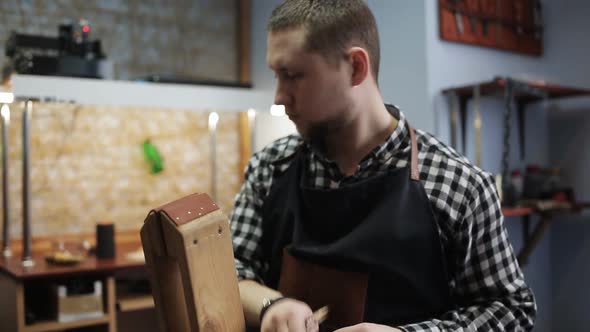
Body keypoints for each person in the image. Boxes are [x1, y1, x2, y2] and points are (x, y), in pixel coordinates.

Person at [230, 1, 536, 331]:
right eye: (277, 75)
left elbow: (511, 311)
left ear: (356, 68)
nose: (278, 96)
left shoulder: (460, 186)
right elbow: (230, 269)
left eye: (293, 76)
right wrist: (271, 304)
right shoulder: (269, 169)